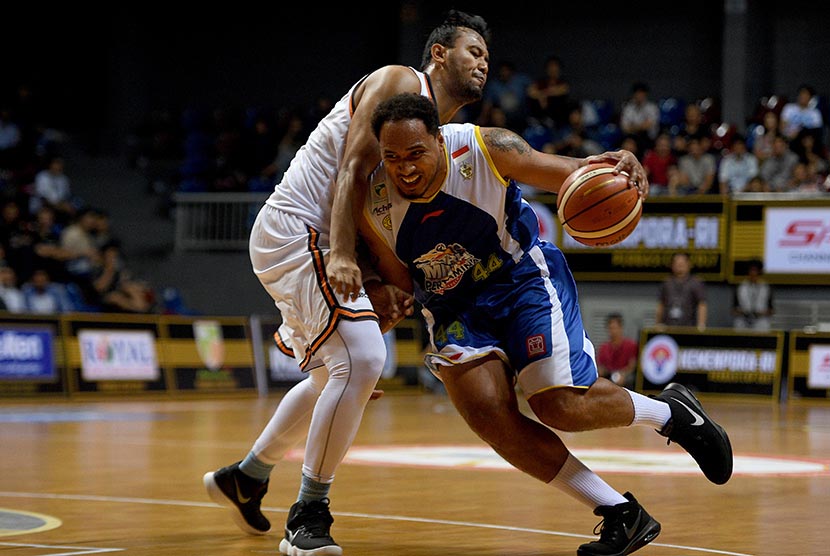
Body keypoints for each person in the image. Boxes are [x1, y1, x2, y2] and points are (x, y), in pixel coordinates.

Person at [356, 92, 732, 556]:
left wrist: (619, 170)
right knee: (487, 413)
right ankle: (620, 513)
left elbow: (571, 172)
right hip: (454, 307)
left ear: (438, 139)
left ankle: (674, 414)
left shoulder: (485, 148)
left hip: (520, 279)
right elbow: (399, 290)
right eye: (392, 158)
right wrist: (366, 347)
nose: (405, 168)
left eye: (415, 154)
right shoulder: (373, 204)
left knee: (560, 407)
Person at [204, 11, 490, 556]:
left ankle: (247, 477)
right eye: (471, 50)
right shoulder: (401, 81)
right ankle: (307, 517)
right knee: (359, 360)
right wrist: (342, 256)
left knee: (336, 376)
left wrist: (387, 282)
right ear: (438, 54)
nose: (482, 62)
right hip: (300, 229)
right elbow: (352, 170)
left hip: (319, 240)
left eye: (486, 56)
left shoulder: (436, 136)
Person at [655, 252, 707, 329]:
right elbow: (661, 304)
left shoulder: (696, 283)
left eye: (682, 264)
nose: (679, 266)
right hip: (668, 326)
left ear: (688, 264)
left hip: (688, 327)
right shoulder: (666, 283)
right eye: (677, 264)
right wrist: (658, 323)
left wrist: (701, 324)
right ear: (672, 265)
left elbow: (702, 304)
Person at [597, 313, 639, 389]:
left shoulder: (631, 345)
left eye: (615, 328)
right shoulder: (604, 347)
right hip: (608, 379)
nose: (613, 331)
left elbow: (632, 365)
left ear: (621, 328)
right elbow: (600, 366)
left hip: (626, 380)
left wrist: (623, 374)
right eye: (610, 328)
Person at [733, 259, 773, 331]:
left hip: (761, 324)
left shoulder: (766, 287)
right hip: (743, 323)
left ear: (760, 272)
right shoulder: (740, 287)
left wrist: (758, 314)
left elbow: (771, 310)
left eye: (755, 271)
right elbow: (733, 310)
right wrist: (745, 313)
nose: (753, 273)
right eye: (751, 270)